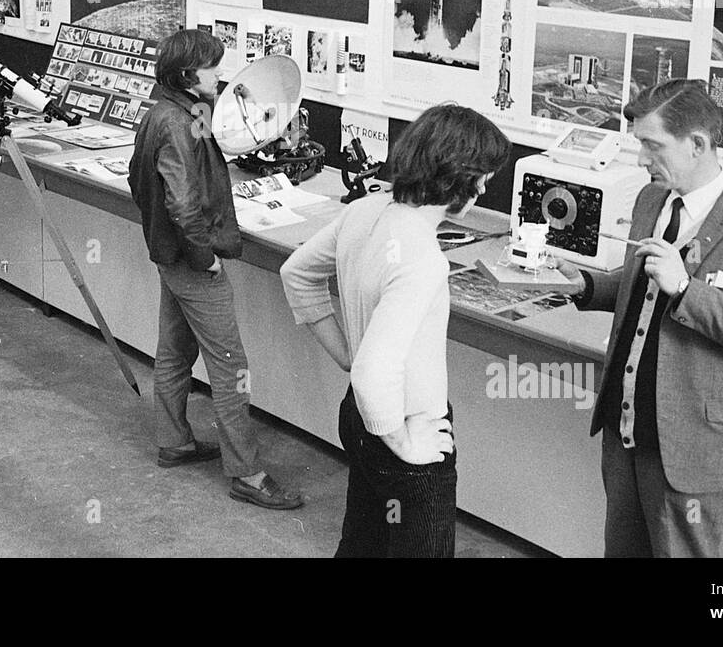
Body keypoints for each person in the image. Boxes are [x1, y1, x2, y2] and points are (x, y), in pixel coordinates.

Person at [556, 79, 723, 557]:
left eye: (652, 145)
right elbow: (641, 290)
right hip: (625, 424)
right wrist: (584, 285)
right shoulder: (652, 199)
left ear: (698, 144)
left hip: (690, 440)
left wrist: (687, 288)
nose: (642, 159)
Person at [280, 104, 511, 556]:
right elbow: (374, 369)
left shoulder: (367, 209)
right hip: (406, 428)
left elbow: (297, 273)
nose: (484, 188)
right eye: (482, 176)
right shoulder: (423, 259)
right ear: (457, 177)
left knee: (362, 545)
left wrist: (348, 353)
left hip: (359, 420)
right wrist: (404, 441)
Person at [128, 29, 302, 511]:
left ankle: (175, 441)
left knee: (174, 350)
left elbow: (137, 177)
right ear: (188, 75)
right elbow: (183, 205)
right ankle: (249, 473)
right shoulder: (179, 124)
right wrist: (205, 259)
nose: (219, 74)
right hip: (190, 260)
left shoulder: (162, 112)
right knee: (231, 368)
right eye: (212, 68)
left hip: (168, 256)